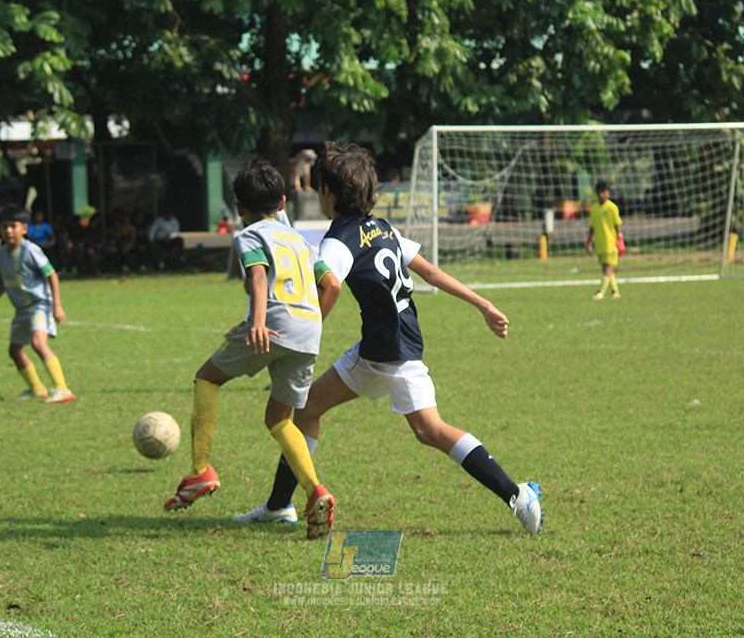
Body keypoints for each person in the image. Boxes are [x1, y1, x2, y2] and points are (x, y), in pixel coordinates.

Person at [233, 142, 543, 534]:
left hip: (391, 354)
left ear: (328, 192)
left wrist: (307, 333)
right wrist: (483, 304)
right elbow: (430, 273)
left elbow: (331, 284)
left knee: (431, 430)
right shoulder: (383, 227)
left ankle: (518, 495)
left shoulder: (337, 241)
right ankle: (279, 506)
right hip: (385, 347)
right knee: (309, 409)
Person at [164, 158, 338, 540]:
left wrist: (258, 322)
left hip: (271, 325)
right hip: (308, 332)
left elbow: (258, 276)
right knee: (280, 419)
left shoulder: (249, 234)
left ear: (239, 208)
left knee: (207, 379)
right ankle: (315, 492)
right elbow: (333, 287)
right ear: (282, 203)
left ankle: (199, 471)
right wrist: (307, 324)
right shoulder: (300, 240)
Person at [0, 203, 75, 403]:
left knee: (38, 343)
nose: (8, 230)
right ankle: (37, 389)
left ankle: (62, 389)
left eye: (13, 226)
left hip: (40, 304)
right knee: (14, 351)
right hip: (22, 309)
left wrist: (57, 306)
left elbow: (52, 275)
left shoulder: (30, 250)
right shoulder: (2, 253)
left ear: (24, 228)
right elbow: (4, 281)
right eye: (4, 226)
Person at [585, 181, 624, 299]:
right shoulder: (595, 209)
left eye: (603, 192)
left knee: (608, 267)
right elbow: (592, 226)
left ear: (608, 193)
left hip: (610, 242)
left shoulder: (612, 207)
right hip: (600, 242)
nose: (601, 194)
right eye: (599, 192)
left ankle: (601, 292)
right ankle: (615, 291)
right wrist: (589, 241)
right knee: (605, 267)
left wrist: (620, 239)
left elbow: (617, 224)